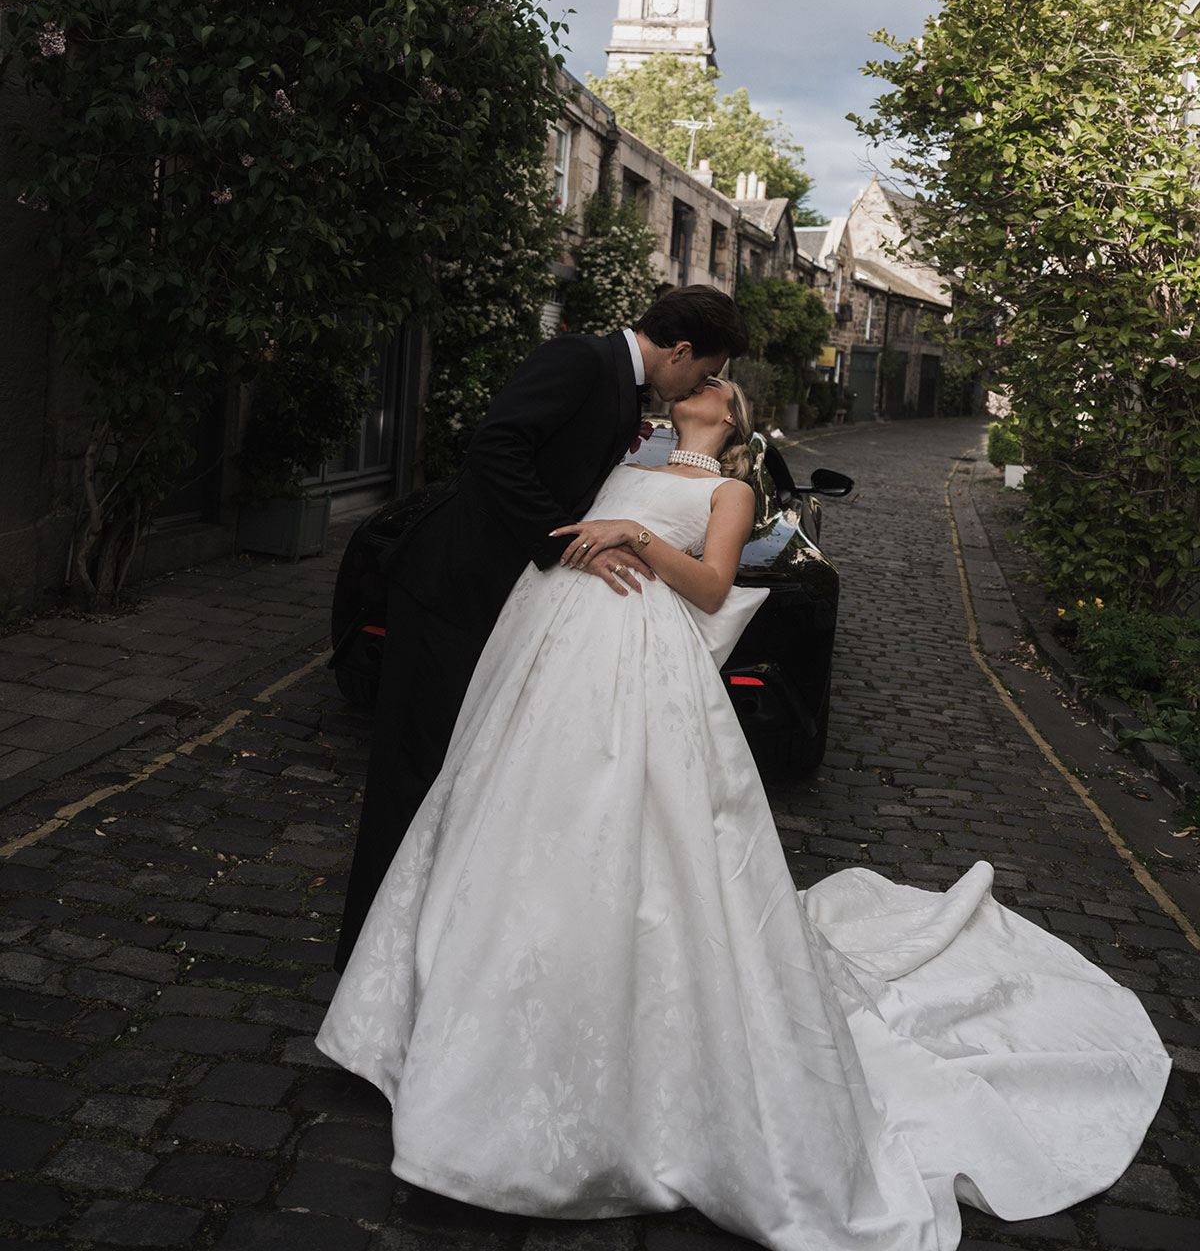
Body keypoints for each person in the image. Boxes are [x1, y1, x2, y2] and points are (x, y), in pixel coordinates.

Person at [318, 378, 1169, 1251]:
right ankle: (441, 1029)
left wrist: (637, 535)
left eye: (721, 387)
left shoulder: (731, 489)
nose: (704, 388)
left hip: (635, 661)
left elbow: (715, 586)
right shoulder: (626, 452)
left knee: (624, 838)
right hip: (550, 649)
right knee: (505, 827)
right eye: (700, 379)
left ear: (732, 419)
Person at [333, 284, 751, 972]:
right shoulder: (582, 360)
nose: (705, 383)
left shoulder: (623, 396)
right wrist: (564, 544)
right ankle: (368, 963)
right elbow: (495, 449)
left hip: (501, 606)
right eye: (705, 371)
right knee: (409, 776)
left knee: (456, 774)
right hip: (450, 587)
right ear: (679, 351)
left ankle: (429, 946)